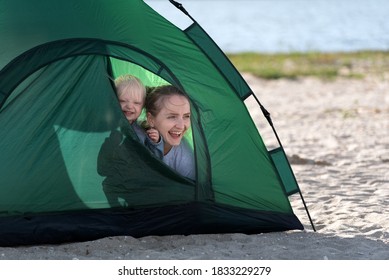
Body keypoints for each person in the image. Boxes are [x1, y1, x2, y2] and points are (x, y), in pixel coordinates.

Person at [145, 85, 195, 180]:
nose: (181, 126)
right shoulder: (135, 135)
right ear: (151, 119)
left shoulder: (186, 160)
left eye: (186, 116)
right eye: (172, 117)